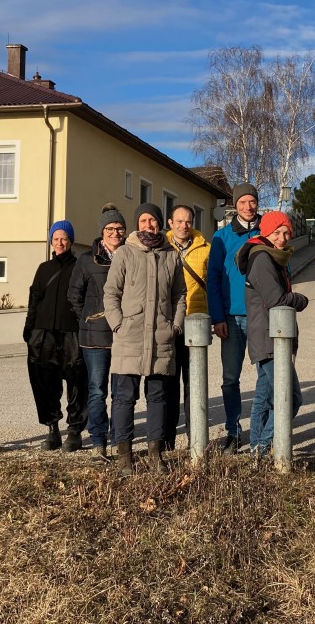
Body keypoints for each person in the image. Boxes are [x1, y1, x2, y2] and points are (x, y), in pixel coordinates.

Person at [104, 203, 187, 474]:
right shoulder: (124, 254)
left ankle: (155, 453)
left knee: (158, 397)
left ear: (160, 223)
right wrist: (118, 324)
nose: (148, 225)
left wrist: (174, 325)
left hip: (161, 336)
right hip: (130, 335)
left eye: (152, 220)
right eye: (143, 220)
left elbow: (179, 295)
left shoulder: (171, 256)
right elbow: (111, 293)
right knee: (124, 397)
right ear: (137, 224)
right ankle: (125, 456)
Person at [235, 211, 308, 460]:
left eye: (286, 232)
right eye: (276, 232)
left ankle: (257, 450)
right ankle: (264, 445)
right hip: (269, 337)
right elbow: (276, 300)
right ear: (264, 233)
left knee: (265, 397)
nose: (282, 237)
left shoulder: (273, 257)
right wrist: (300, 299)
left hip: (269, 335)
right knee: (291, 398)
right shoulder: (263, 259)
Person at [68, 204, 127, 459]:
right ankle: (98, 440)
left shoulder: (131, 255)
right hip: (95, 335)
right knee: (96, 389)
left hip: (124, 334)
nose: (115, 233)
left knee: (122, 391)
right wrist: (90, 317)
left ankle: (120, 437)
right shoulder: (86, 260)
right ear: (102, 231)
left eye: (119, 228)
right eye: (110, 228)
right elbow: (74, 295)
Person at [207, 182, 261, 452]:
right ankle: (233, 430)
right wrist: (217, 317)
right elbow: (213, 279)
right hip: (231, 317)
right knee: (231, 378)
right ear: (235, 206)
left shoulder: (268, 232)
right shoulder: (222, 237)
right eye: (242, 202)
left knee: (268, 375)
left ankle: (263, 430)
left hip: (261, 316)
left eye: (252, 202)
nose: (248, 207)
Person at [24, 220, 86, 452]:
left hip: (72, 333)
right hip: (43, 333)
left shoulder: (80, 267)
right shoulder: (43, 268)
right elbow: (34, 299)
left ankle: (75, 431)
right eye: (56, 238)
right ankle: (52, 428)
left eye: (64, 238)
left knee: (77, 381)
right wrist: (29, 329)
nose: (60, 243)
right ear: (51, 240)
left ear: (71, 241)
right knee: (44, 382)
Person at [163, 204, 210, 451]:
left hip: (196, 324)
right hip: (170, 325)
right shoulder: (160, 248)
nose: (183, 226)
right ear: (170, 223)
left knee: (194, 384)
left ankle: (196, 438)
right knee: (169, 384)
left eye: (188, 221)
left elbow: (213, 284)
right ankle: (168, 440)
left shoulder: (206, 249)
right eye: (179, 221)